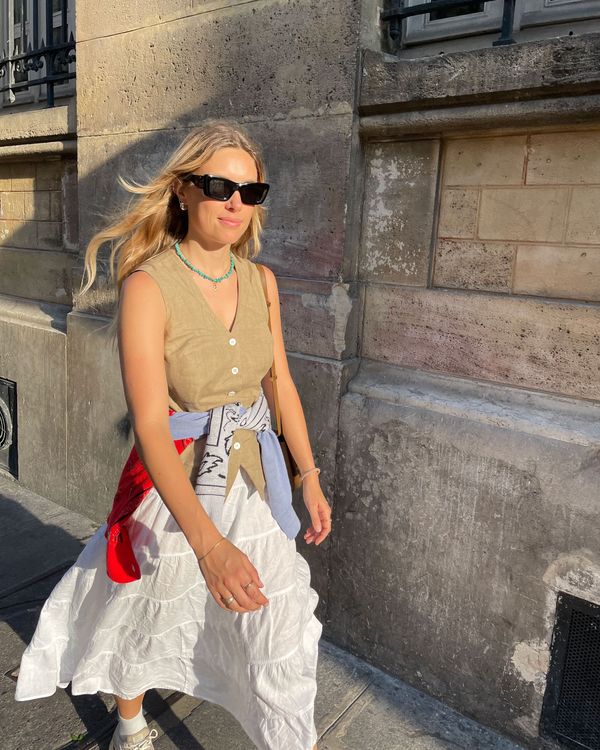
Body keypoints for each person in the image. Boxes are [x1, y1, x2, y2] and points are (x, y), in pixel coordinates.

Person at [14, 119, 332, 750]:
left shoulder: (261, 281)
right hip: (177, 481)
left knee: (284, 626)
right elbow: (151, 426)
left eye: (252, 190)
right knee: (147, 608)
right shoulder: (147, 287)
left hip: (255, 483)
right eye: (220, 186)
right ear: (184, 190)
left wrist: (309, 476)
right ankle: (130, 723)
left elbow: (280, 386)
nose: (236, 202)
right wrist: (210, 546)